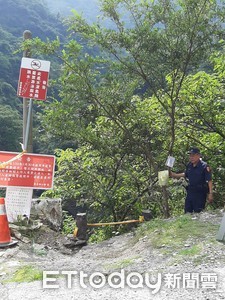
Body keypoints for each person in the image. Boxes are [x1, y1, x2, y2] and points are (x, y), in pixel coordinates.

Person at [170, 147, 213, 213]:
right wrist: (175, 175)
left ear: (198, 155)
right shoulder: (189, 165)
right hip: (191, 191)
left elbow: (209, 180)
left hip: (200, 192)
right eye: (190, 156)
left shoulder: (204, 166)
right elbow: (185, 174)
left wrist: (210, 193)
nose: (191, 157)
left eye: (193, 155)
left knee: (198, 212)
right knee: (187, 211)